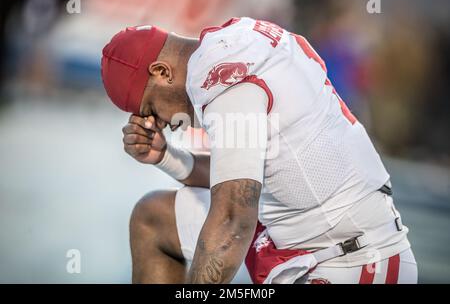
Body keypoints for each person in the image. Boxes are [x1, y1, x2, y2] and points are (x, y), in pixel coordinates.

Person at [100, 17, 417, 284]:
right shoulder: (237, 39)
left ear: (162, 72)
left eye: (152, 109)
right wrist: (167, 157)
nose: (164, 124)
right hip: (316, 242)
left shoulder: (221, 82)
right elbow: (243, 174)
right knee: (153, 217)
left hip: (353, 262)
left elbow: (232, 223)